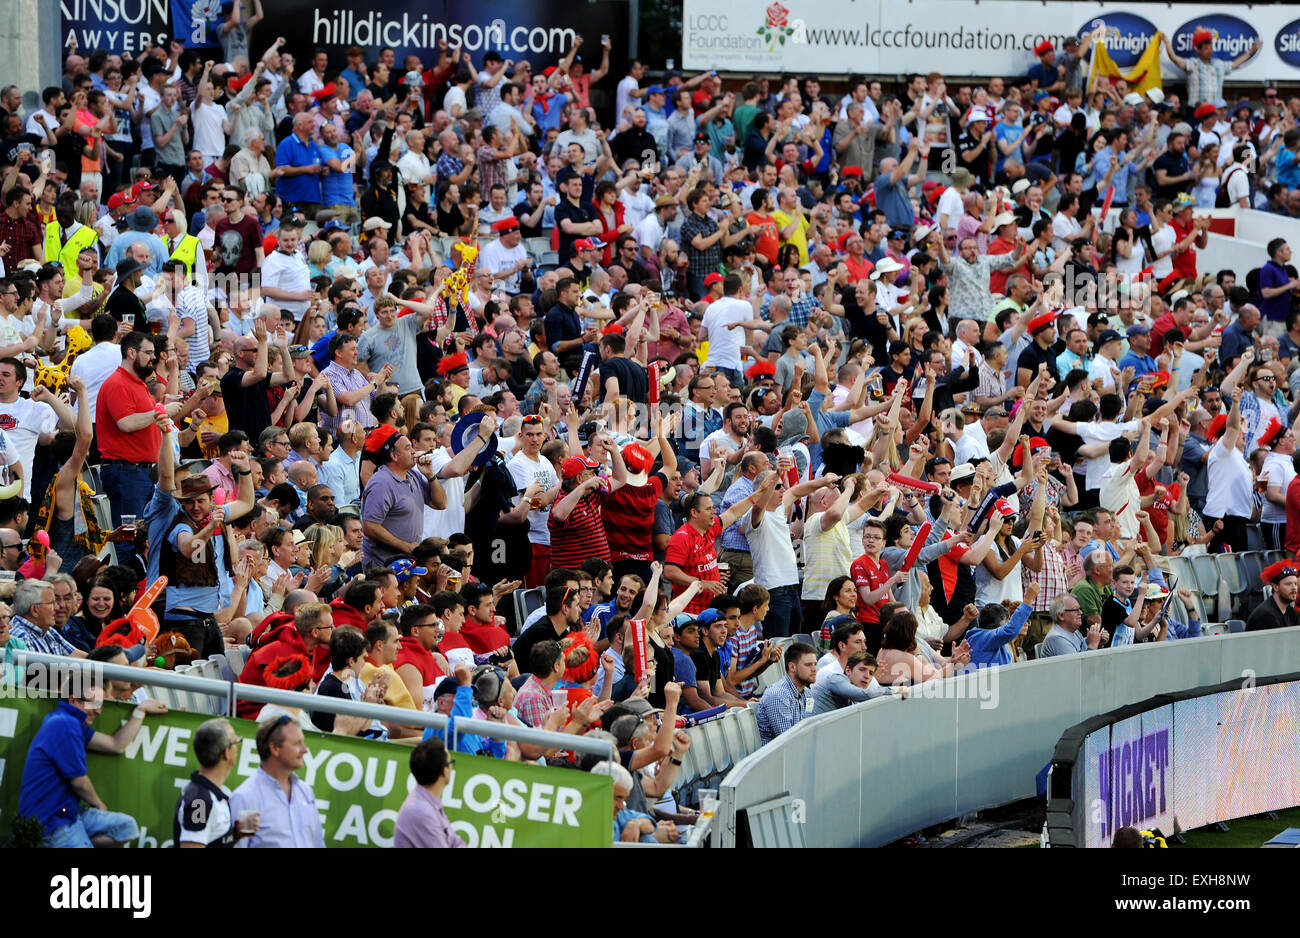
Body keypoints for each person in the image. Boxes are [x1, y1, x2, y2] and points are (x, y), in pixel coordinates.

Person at [18, 667, 166, 847]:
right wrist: (99, 805)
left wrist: (140, 711)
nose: (99, 711)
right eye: (94, 704)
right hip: (52, 822)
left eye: (101, 704)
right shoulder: (65, 724)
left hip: (69, 813)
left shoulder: (71, 722)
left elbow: (115, 745)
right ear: (73, 700)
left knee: (127, 827)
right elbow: (79, 782)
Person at [230, 715, 326, 848]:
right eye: (297, 743)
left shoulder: (306, 792)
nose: (305, 750)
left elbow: (318, 844)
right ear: (275, 748)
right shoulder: (247, 798)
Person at [174, 718, 247, 848]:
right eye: (236, 742)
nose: (238, 748)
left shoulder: (211, 794)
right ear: (226, 752)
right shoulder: (200, 801)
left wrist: (235, 834)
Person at [393, 736, 466, 848]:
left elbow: (455, 842)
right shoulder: (421, 811)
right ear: (445, 771)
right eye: (451, 762)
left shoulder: (427, 804)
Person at [755, 641, 819, 743]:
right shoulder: (778, 695)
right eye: (808, 665)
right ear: (792, 667)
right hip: (776, 756)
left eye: (815, 664)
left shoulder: (808, 694)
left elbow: (808, 728)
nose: (814, 669)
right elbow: (787, 741)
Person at [1038, 593, 1107, 657]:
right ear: (1061, 615)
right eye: (1075, 609)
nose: (1081, 612)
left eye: (1080, 609)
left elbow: (1082, 651)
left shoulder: (1073, 631)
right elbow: (1079, 668)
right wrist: (1093, 643)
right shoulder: (1057, 638)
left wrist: (1097, 641)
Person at [1246, 561, 1300, 631]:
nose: (1294, 588)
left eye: (1295, 584)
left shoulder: (1291, 612)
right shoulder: (1266, 615)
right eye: (1288, 584)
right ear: (1275, 587)